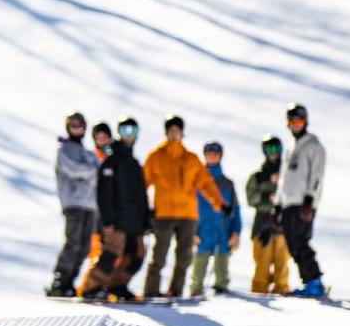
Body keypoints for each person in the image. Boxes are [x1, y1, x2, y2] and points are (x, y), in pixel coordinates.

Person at [141, 114, 225, 298]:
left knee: (184, 257)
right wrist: (142, 208)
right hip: (163, 213)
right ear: (166, 132)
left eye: (177, 131)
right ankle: (150, 291)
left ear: (181, 133)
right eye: (171, 130)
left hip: (187, 215)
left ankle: (176, 291)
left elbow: (206, 184)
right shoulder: (155, 156)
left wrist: (219, 203)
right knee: (159, 255)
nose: (174, 134)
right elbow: (142, 184)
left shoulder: (191, 159)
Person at [85, 116, 150, 301]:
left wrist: (146, 219)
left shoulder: (134, 163)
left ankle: (118, 285)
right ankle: (92, 288)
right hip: (116, 220)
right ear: (119, 133)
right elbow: (104, 193)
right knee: (110, 254)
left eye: (133, 131)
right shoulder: (112, 160)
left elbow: (142, 195)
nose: (129, 136)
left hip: (135, 221)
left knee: (136, 256)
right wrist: (107, 219)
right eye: (125, 131)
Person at [277, 103, 326, 297]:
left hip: (303, 203)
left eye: (298, 120)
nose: (295, 124)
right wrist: (277, 206)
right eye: (291, 121)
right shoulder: (290, 148)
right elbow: (283, 179)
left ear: (305, 122)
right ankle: (308, 281)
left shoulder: (314, 146)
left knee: (300, 241)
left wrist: (309, 200)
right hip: (288, 203)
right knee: (291, 244)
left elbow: (317, 175)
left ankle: (315, 281)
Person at [48, 112, 99, 297]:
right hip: (73, 203)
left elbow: (96, 172)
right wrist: (91, 171)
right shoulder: (65, 150)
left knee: (85, 246)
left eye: (80, 125)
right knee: (73, 241)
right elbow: (75, 170)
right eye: (73, 126)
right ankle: (60, 280)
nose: (77, 129)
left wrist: (91, 171)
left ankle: (70, 282)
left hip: (90, 205)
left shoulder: (87, 153)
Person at [189, 142, 241, 296]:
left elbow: (235, 211)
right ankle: (195, 288)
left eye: (215, 154)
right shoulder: (196, 181)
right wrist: (191, 231)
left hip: (222, 230)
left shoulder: (227, 183)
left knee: (222, 260)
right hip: (202, 229)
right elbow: (189, 207)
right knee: (200, 260)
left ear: (220, 156)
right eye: (209, 153)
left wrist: (236, 232)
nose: (212, 156)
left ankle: (221, 286)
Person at [246, 135, 291, 294]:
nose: (273, 153)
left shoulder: (289, 175)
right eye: (269, 149)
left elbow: (294, 197)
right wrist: (266, 193)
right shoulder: (258, 176)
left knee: (282, 265)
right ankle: (259, 292)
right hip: (262, 225)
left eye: (276, 149)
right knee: (261, 267)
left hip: (282, 225)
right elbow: (251, 199)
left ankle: (282, 290)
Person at [75, 122, 114, 296]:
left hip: (111, 212)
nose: (103, 139)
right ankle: (86, 287)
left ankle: (104, 287)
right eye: (99, 136)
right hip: (94, 210)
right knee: (94, 252)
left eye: (105, 136)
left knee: (110, 253)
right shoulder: (91, 157)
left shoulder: (114, 157)